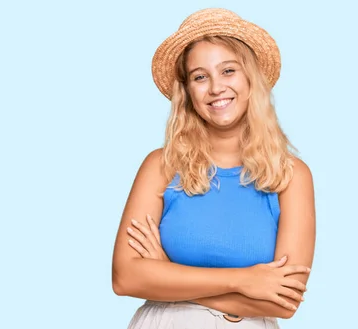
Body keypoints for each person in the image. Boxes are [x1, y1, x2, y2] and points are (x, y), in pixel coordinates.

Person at [111, 8, 316, 328]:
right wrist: (244, 280)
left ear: (251, 79)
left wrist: (167, 274)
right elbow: (125, 278)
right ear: (188, 92)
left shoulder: (291, 176)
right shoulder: (161, 166)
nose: (216, 87)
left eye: (228, 71)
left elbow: (285, 301)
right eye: (200, 76)